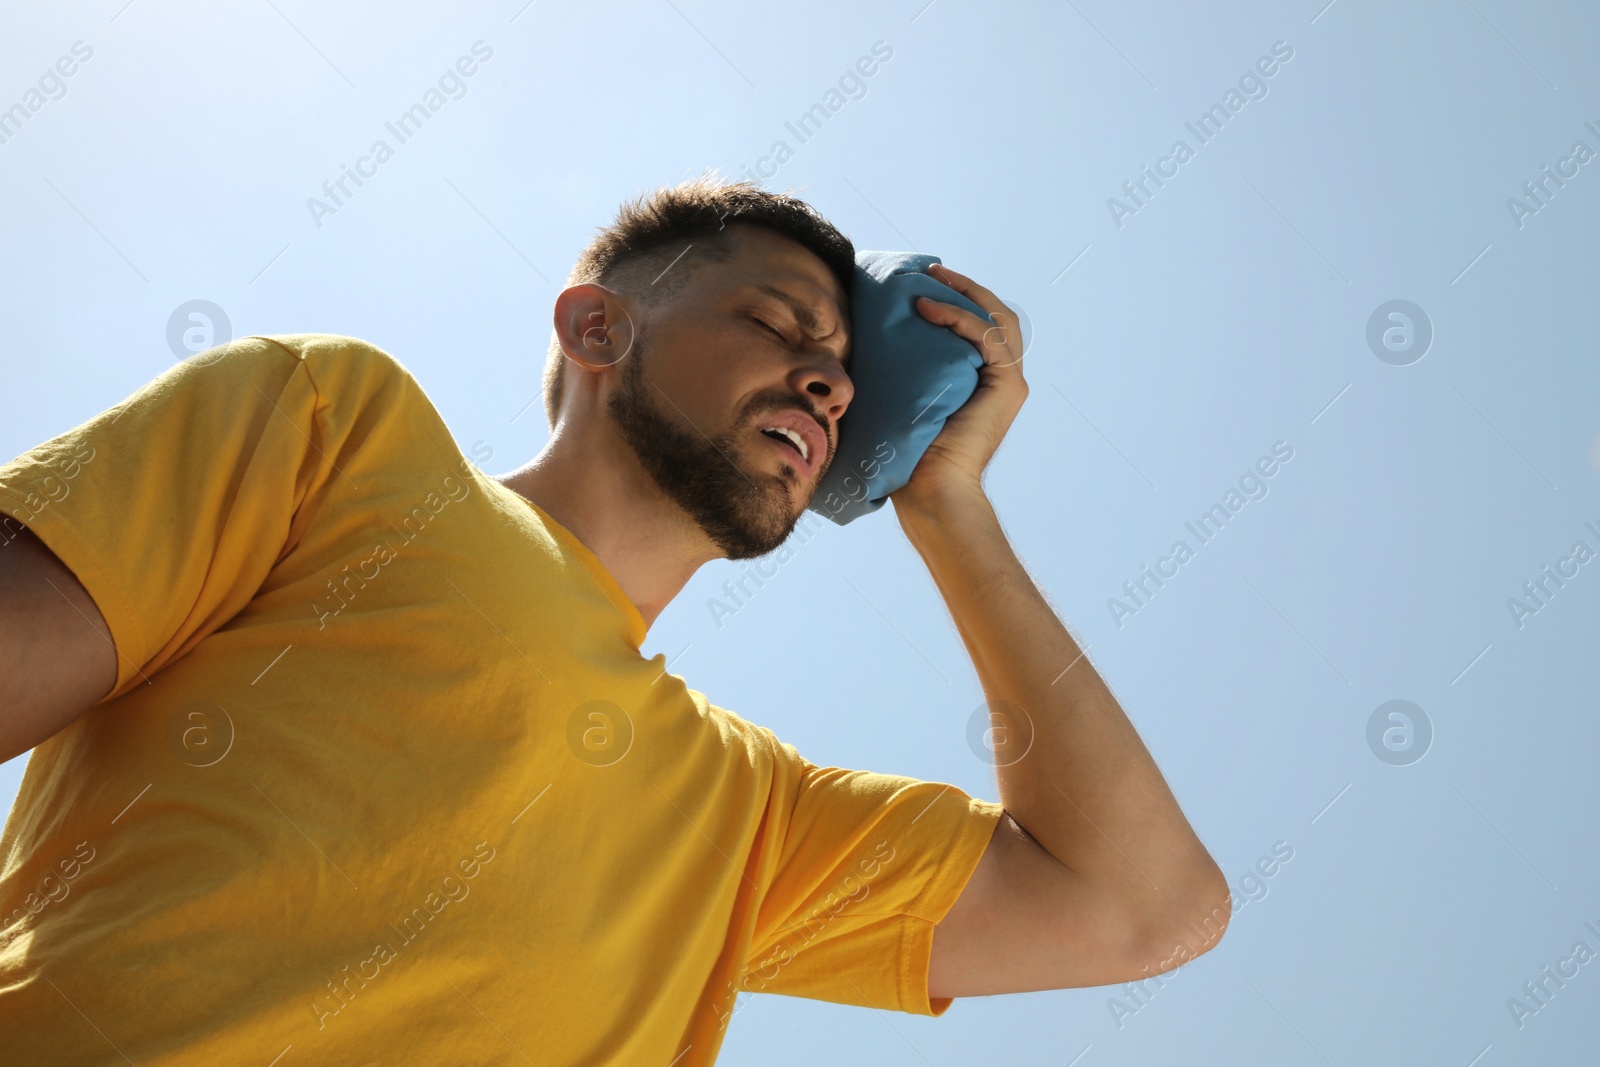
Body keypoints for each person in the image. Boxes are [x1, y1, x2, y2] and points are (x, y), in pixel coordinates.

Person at [0, 174, 1228, 1064]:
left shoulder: (747, 812)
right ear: (598, 329)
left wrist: (949, 510)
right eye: (776, 321)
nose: (826, 377)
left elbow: (1145, 907)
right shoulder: (341, 428)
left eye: (843, 375)